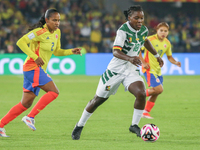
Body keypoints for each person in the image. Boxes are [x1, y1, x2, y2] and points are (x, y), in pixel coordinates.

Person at [71, 5, 163, 140]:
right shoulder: (123, 31)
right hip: (115, 71)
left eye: (141, 18)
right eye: (136, 18)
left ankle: (134, 125)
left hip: (130, 70)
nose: (139, 21)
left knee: (141, 93)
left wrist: (156, 55)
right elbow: (115, 51)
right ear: (129, 18)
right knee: (98, 100)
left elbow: (145, 40)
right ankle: (79, 125)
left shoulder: (143, 30)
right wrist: (130, 58)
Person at [0, 8, 81, 137]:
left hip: (37, 70)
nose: (57, 23)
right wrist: (34, 56)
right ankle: (30, 117)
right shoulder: (39, 32)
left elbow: (57, 51)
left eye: (59, 20)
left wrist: (71, 51)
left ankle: (0, 125)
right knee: (54, 92)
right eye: (54, 20)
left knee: (25, 103)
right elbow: (20, 42)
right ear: (47, 20)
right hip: (32, 68)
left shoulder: (57, 33)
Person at [139, 22, 181, 119]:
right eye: (161, 30)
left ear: (168, 32)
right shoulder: (149, 40)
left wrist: (175, 62)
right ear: (157, 30)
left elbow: (169, 57)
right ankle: (139, 94)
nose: (163, 32)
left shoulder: (167, 43)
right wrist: (143, 63)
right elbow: (138, 51)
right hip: (149, 69)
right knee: (159, 89)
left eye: (165, 31)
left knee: (157, 92)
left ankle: (145, 112)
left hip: (158, 70)